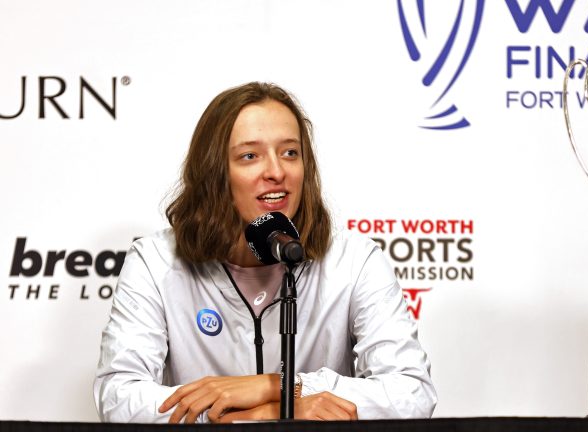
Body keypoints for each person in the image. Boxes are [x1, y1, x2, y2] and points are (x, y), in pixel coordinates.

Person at [93, 82, 437, 423]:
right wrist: (251, 417)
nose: (276, 172)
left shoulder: (354, 260)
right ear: (214, 172)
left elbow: (412, 393)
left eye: (290, 153)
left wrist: (280, 389)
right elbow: (119, 397)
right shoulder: (155, 262)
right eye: (250, 156)